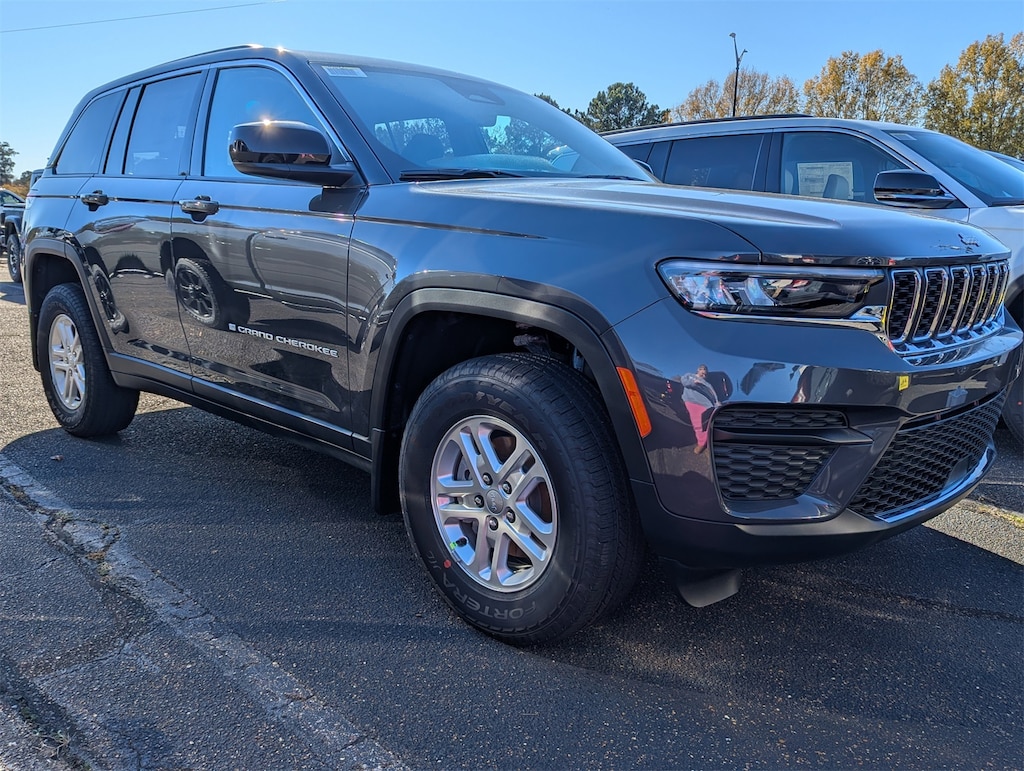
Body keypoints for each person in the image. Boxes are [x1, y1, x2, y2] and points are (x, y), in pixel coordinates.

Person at [680, 364, 719, 453]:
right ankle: (702, 443)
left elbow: (713, 394)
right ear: (698, 369)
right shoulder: (689, 375)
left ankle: (707, 441)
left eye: (705, 372)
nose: (704, 373)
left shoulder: (707, 384)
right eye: (702, 370)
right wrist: (694, 383)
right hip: (692, 402)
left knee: (707, 423)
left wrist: (716, 403)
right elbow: (683, 381)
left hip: (706, 405)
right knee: (697, 423)